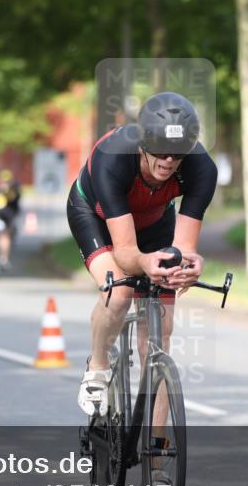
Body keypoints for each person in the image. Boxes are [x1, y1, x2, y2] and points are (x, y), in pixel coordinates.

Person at [65, 91, 217, 417]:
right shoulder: (113, 156)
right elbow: (125, 253)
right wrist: (146, 263)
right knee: (120, 292)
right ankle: (98, 365)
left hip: (154, 221)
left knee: (159, 340)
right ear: (142, 144)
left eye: (177, 154)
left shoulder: (202, 168)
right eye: (160, 151)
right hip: (97, 217)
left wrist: (188, 265)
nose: (168, 161)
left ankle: (158, 453)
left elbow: (185, 247)